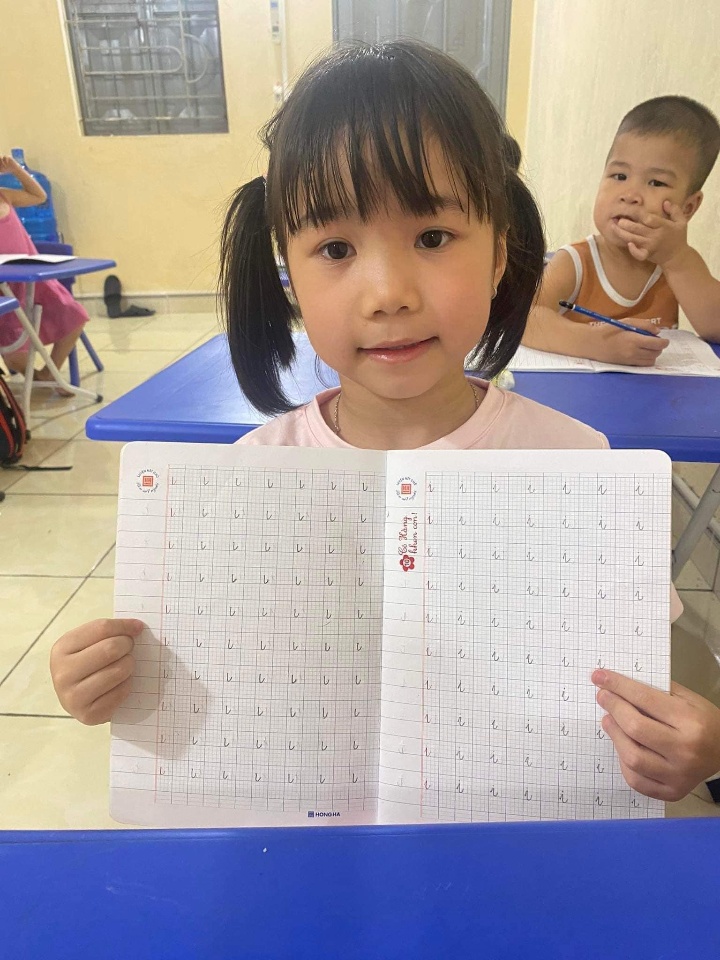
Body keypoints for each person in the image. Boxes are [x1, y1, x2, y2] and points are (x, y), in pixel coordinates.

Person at [50, 41, 720, 804]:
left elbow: (650, 680)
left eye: (432, 238)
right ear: (290, 277)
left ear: (500, 254)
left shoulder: (581, 465)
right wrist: (112, 683)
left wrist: (696, 744)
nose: (387, 292)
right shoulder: (243, 480)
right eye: (335, 248)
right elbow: (191, 692)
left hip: (511, 841)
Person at [523, 96, 720, 365]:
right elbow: (527, 319)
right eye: (619, 176)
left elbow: (715, 327)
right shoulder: (577, 262)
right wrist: (597, 344)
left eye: (656, 182)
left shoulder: (678, 265)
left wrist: (676, 259)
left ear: (687, 207)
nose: (630, 195)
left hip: (656, 389)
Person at [0, 154, 90, 393]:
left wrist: (15, 170)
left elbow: (39, 196)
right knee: (13, 352)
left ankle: (51, 373)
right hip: (5, 287)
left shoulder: (5, 195)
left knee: (74, 316)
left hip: (35, 279)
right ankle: (39, 376)